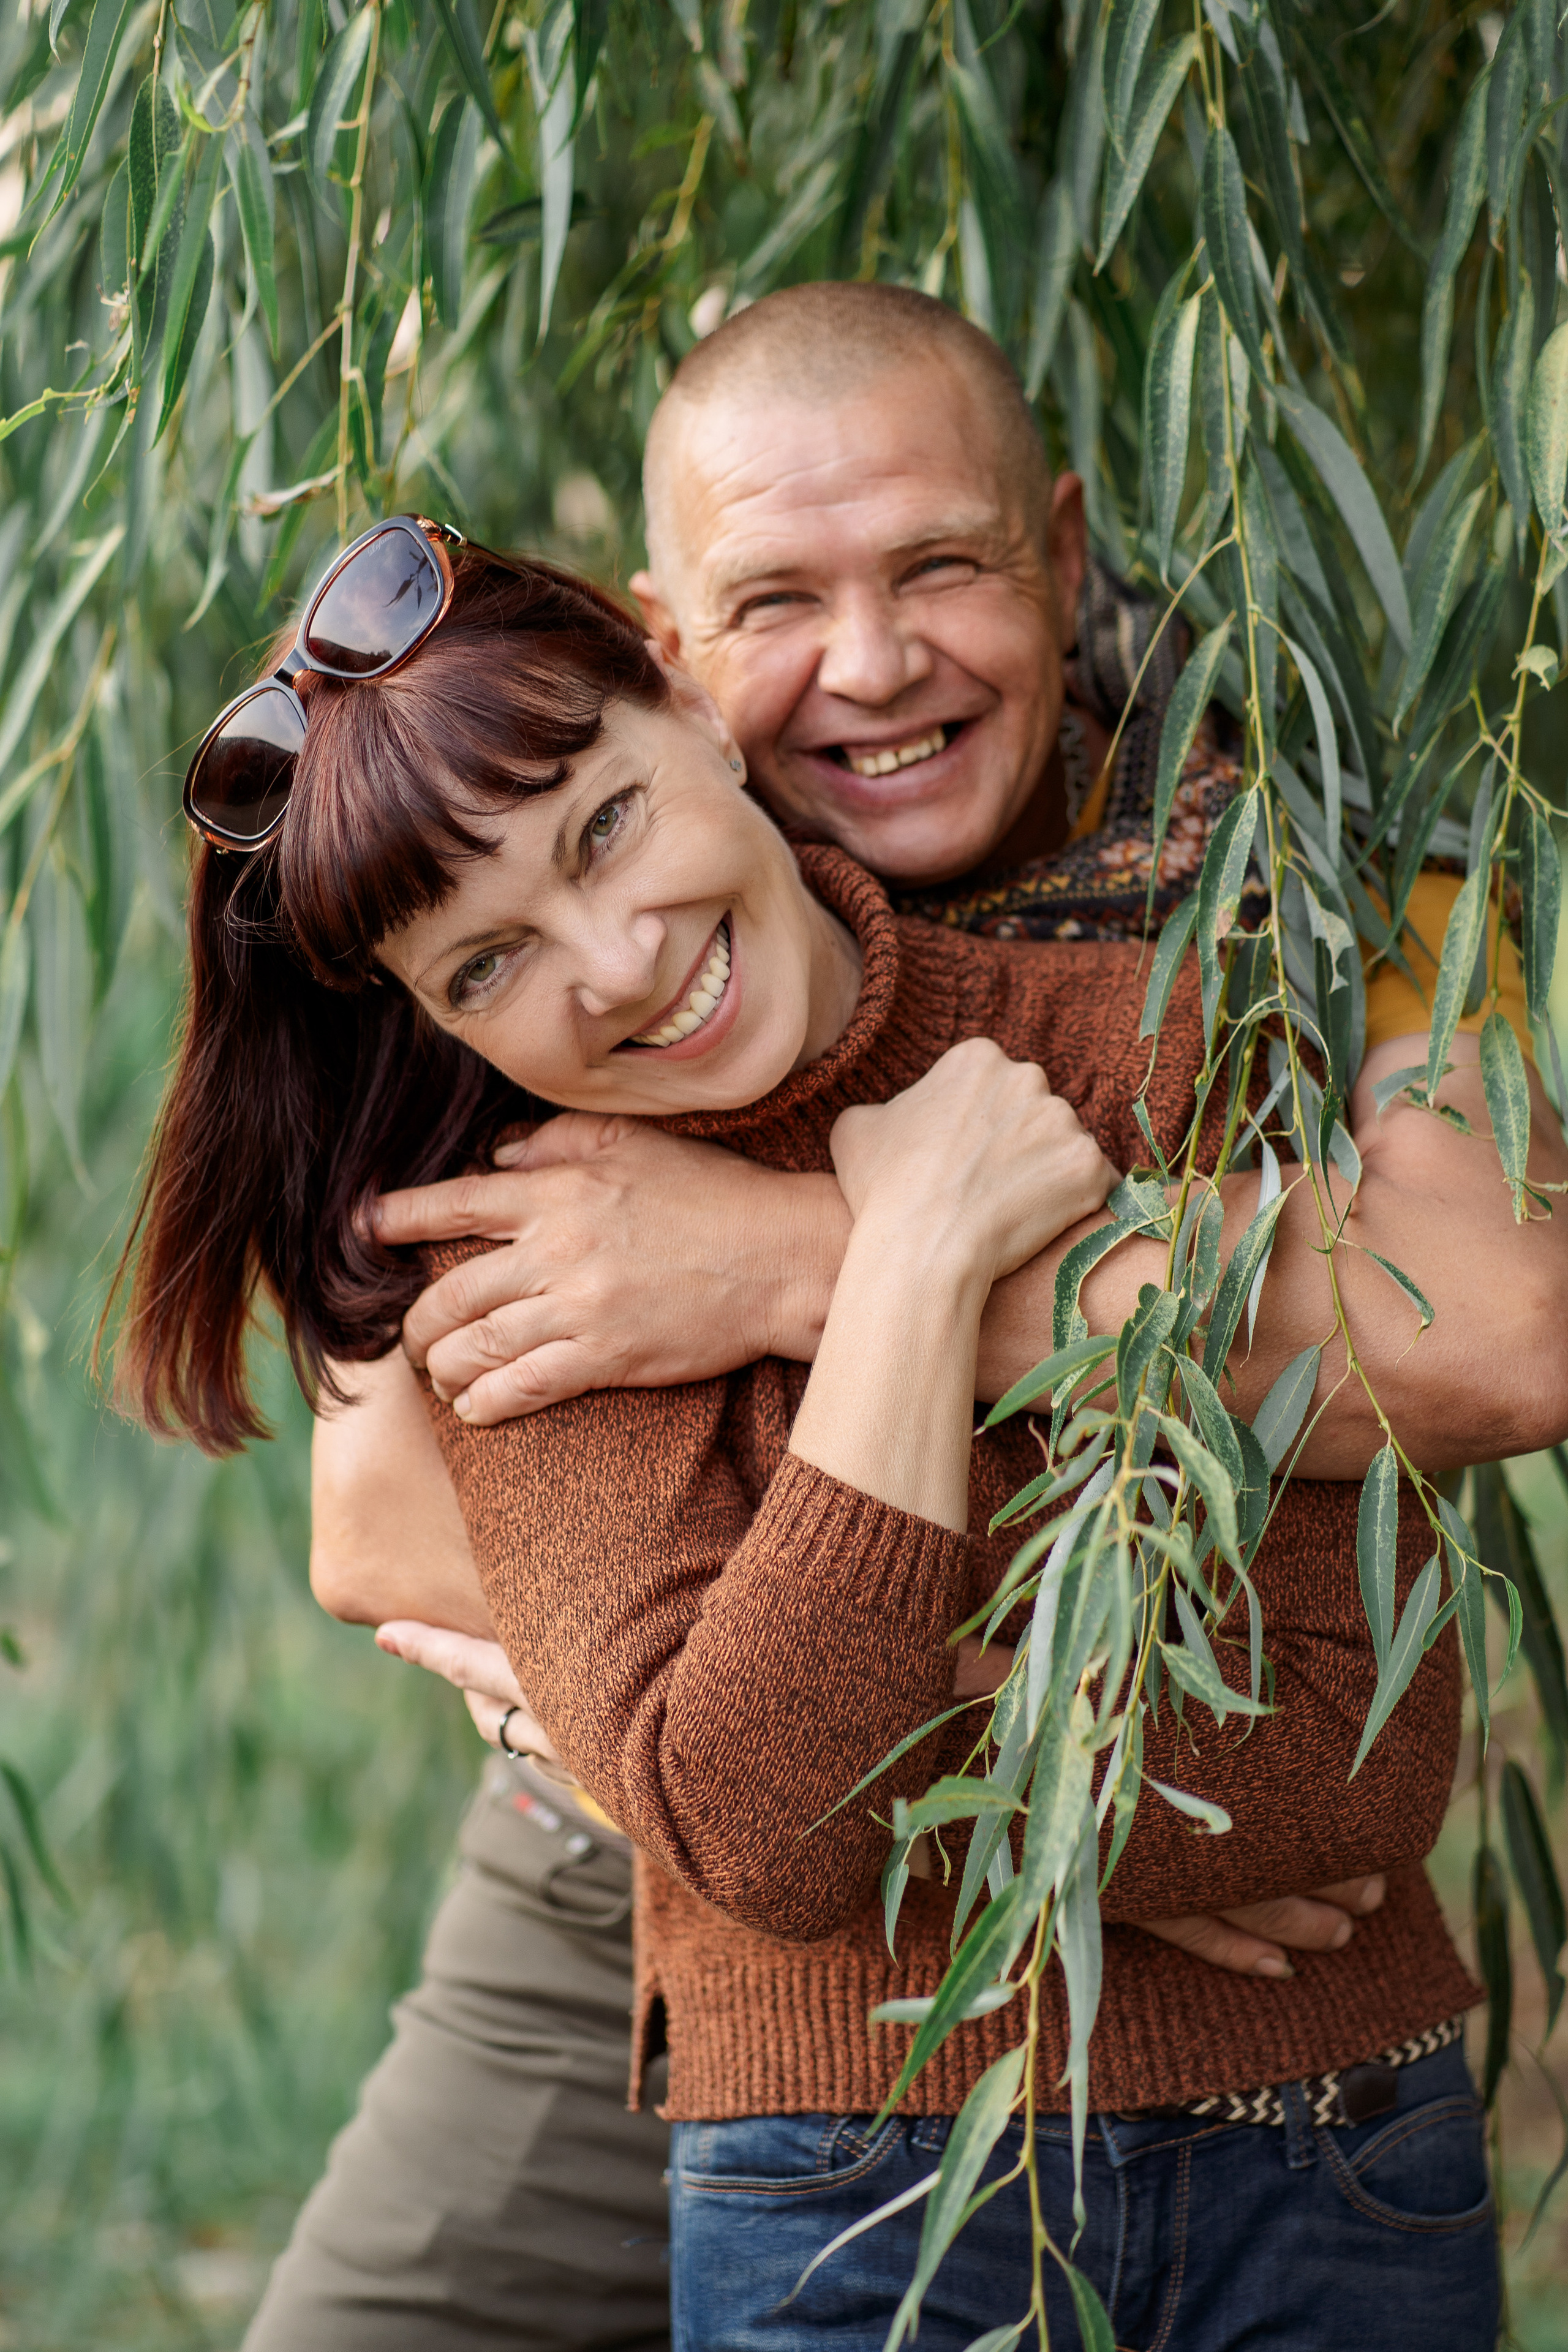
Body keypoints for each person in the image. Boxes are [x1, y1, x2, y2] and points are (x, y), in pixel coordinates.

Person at [258, 288, 1556, 2352]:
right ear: (668, 654)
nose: (871, 666)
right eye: (779, 599)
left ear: (1056, 555)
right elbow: (384, 1521)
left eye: (940, 566)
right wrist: (1084, 1786)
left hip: (1227, 1994)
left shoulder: (1284, 888)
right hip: (641, 1858)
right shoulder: (541, 923)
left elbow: (1493, 1337)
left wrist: (784, 1263)